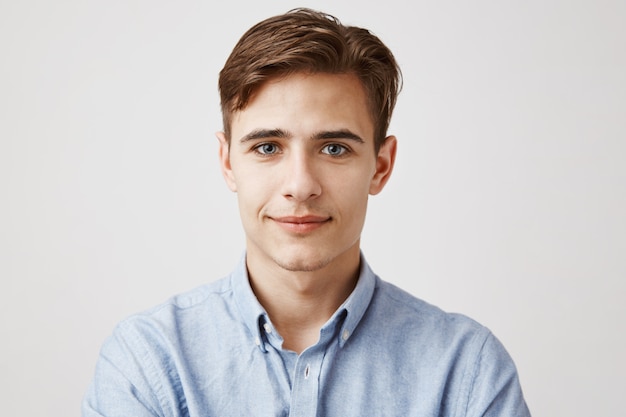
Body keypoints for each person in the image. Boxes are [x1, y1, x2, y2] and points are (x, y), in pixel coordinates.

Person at [82, 8, 531, 417]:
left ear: (380, 166)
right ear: (227, 162)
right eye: (268, 147)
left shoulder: (467, 372)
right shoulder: (148, 363)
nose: (300, 185)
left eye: (334, 148)